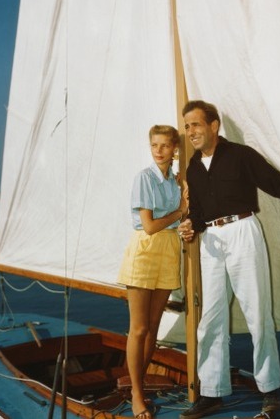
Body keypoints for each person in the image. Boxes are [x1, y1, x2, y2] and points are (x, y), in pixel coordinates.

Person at [176, 100, 280, 419]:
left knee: (257, 314)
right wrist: (191, 225)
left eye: (196, 124)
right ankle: (212, 392)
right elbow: (199, 214)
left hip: (243, 232)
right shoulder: (193, 167)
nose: (190, 131)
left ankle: (270, 389)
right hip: (212, 242)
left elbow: (279, 185)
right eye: (187, 126)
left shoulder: (240, 156)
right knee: (210, 319)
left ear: (214, 125)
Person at [117, 125, 188, 419]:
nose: (158, 151)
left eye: (165, 145)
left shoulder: (176, 182)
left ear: (174, 150)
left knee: (154, 326)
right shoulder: (144, 178)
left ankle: (141, 382)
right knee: (139, 328)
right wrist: (179, 212)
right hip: (145, 250)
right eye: (154, 145)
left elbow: (179, 218)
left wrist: (184, 206)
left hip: (168, 249)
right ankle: (136, 394)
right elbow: (148, 225)